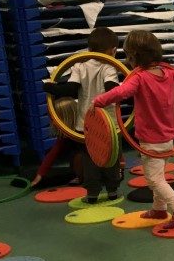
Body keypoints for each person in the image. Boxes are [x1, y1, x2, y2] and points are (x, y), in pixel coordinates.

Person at [93, 30, 174, 228]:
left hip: (150, 140)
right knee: (159, 174)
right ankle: (159, 209)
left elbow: (120, 92)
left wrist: (98, 101)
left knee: (154, 180)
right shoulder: (168, 74)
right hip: (168, 137)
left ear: (134, 57)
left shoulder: (139, 78)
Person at [42, 27, 122, 203]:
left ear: (89, 49)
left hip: (86, 123)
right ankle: (112, 191)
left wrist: (50, 87)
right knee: (111, 157)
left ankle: (92, 193)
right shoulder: (109, 66)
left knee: (90, 159)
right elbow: (112, 89)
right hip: (108, 123)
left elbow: (70, 90)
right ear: (112, 50)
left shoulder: (79, 66)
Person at [30, 96, 85, 188]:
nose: (53, 122)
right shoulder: (65, 135)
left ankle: (83, 177)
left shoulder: (83, 130)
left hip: (95, 163)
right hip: (82, 162)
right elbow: (53, 153)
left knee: (79, 156)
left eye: (55, 119)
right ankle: (80, 175)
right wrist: (40, 175)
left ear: (65, 119)